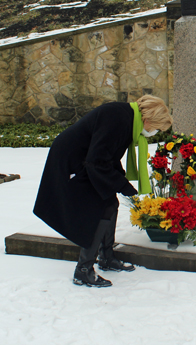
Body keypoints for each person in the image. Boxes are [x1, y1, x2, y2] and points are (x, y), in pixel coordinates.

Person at [34, 95, 173, 287]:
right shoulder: (119, 119)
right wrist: (122, 185)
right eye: (156, 129)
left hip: (85, 159)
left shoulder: (126, 118)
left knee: (110, 204)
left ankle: (106, 257)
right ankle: (83, 270)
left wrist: (120, 182)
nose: (154, 133)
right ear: (147, 120)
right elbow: (97, 160)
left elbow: (108, 156)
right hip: (70, 161)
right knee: (101, 206)